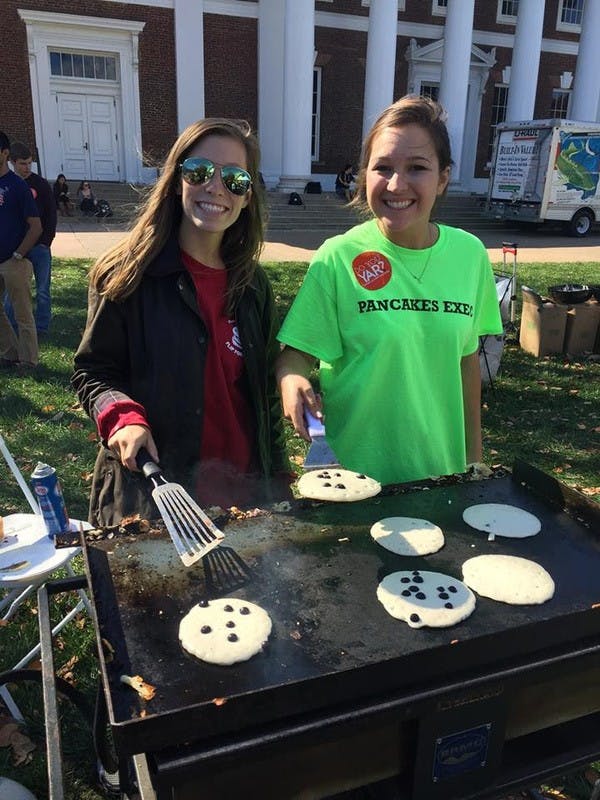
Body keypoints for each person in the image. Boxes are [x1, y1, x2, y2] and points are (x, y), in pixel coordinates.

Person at [72, 117, 289, 526]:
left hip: (244, 498)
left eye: (236, 180)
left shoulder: (253, 285)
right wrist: (122, 417)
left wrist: (278, 480)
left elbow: (264, 395)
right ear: (176, 181)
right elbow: (93, 371)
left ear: (247, 198)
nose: (216, 188)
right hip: (155, 499)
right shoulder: (125, 274)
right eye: (200, 172)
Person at [276, 95, 503, 487]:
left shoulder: (471, 255)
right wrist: (292, 382)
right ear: (365, 175)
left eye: (417, 167)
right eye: (383, 168)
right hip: (357, 483)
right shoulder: (338, 257)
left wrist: (474, 462)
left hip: (443, 479)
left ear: (443, 178)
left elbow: (467, 363)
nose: (397, 184)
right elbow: (293, 357)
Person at [0, 130, 41, 370]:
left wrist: (18, 254)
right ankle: (9, 353)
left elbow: (35, 226)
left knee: (22, 313)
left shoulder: (17, 186)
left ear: (5, 154)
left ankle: (29, 360)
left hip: (14, 261)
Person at [8, 141, 57, 336]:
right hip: (17, 248)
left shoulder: (40, 184)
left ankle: (42, 326)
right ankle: (12, 326)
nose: (27, 167)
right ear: (12, 162)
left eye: (29, 163)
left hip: (40, 247)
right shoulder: (8, 185)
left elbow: (51, 215)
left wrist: (46, 241)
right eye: (22, 164)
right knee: (14, 290)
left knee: (43, 289)